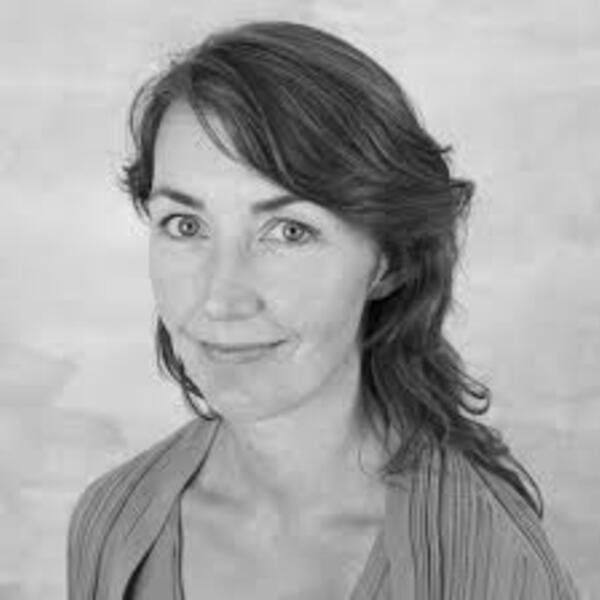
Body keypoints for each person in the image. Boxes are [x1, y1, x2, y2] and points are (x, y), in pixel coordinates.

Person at [67, 20, 579, 600]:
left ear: (389, 260)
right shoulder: (111, 523)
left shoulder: (492, 569)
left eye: (290, 231)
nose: (222, 299)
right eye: (185, 225)